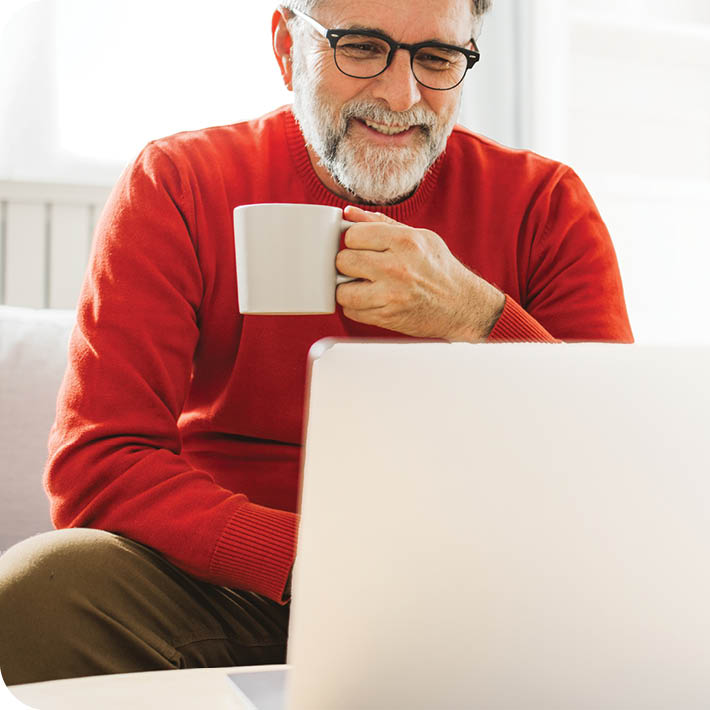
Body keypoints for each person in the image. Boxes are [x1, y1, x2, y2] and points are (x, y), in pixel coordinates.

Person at [0, 0, 632, 686]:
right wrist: (314, 560)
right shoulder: (178, 182)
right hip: (242, 583)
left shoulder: (545, 204)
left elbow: (610, 469)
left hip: (472, 587)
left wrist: (478, 316)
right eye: (361, 47)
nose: (402, 95)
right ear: (285, 46)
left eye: (437, 58)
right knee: (42, 587)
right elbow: (99, 461)